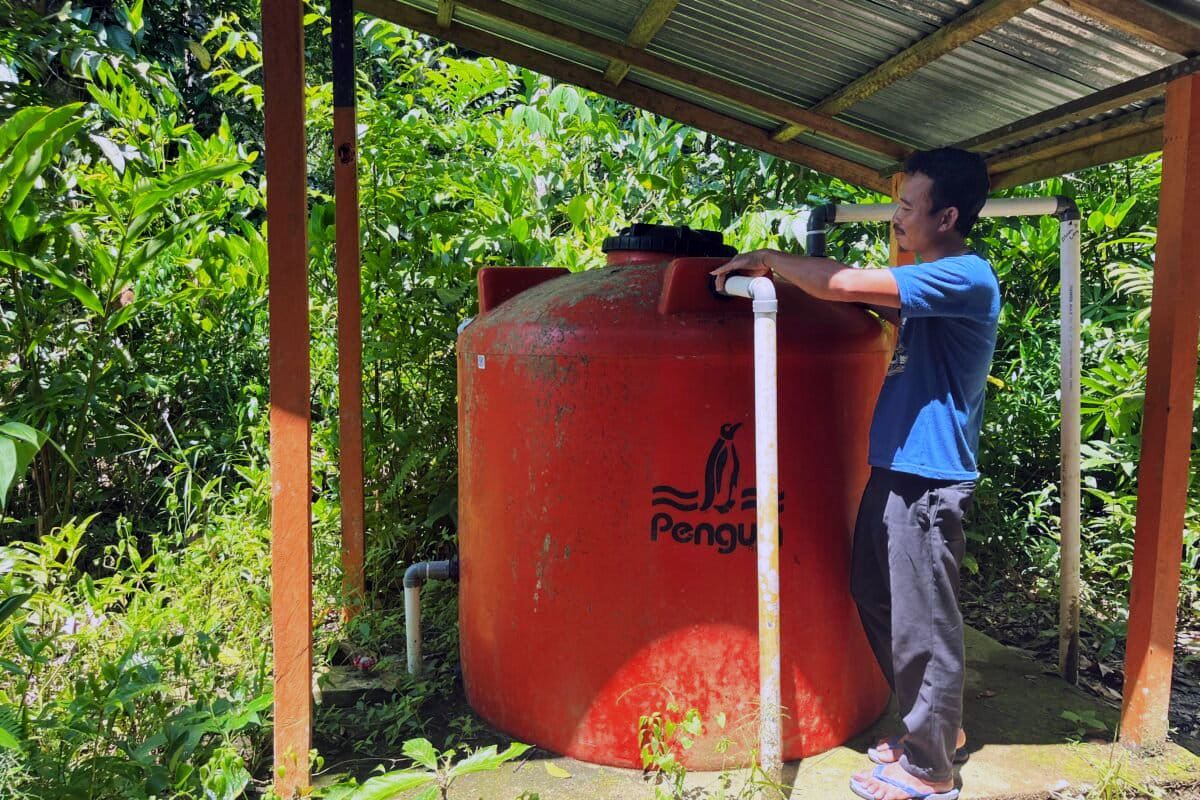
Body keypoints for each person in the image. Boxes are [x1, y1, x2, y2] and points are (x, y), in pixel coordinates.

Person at [710, 147, 996, 800]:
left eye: (906, 207)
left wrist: (772, 261)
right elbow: (865, 302)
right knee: (877, 593)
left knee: (925, 622)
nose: (896, 218)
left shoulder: (964, 276)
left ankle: (931, 772)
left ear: (946, 215)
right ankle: (937, 730)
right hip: (896, 466)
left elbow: (843, 284)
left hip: (929, 476)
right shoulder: (934, 284)